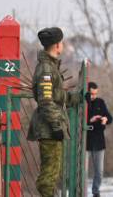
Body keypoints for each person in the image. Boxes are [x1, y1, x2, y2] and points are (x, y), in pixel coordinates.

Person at [27, 27, 80, 196]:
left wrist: (77, 98)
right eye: (61, 42)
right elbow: (45, 100)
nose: (62, 45)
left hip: (52, 126)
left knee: (52, 172)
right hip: (49, 128)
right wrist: (56, 126)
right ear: (57, 45)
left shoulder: (50, 66)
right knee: (48, 177)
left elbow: (57, 95)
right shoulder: (46, 70)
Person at [86, 82, 112, 197]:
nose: (93, 96)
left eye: (95, 94)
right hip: (85, 141)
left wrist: (105, 119)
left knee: (99, 172)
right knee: (83, 171)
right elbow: (77, 120)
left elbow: (110, 118)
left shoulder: (100, 102)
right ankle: (81, 192)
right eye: (91, 94)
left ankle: (96, 192)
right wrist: (90, 120)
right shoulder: (82, 102)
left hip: (99, 141)